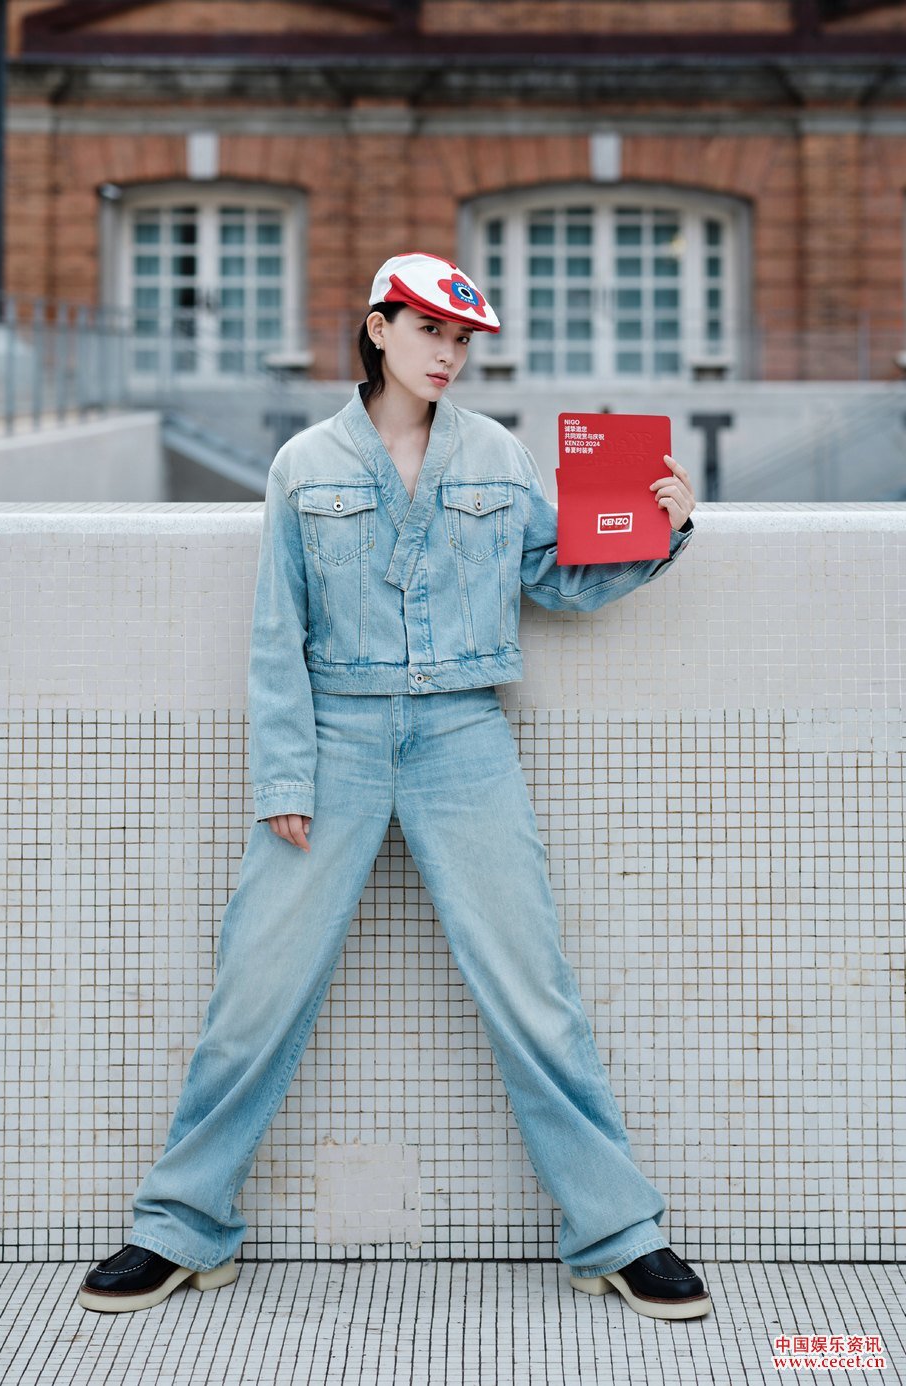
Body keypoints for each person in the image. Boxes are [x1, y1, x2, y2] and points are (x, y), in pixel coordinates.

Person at [78, 250, 709, 1321]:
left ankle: (618, 1232)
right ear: (378, 328)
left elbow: (555, 576)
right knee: (256, 986)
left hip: (464, 733)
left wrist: (663, 527)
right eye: (428, 332)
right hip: (334, 733)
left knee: (533, 987)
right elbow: (277, 631)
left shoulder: (497, 455)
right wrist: (286, 772)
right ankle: (180, 1226)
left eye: (461, 339)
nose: (447, 354)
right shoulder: (304, 463)